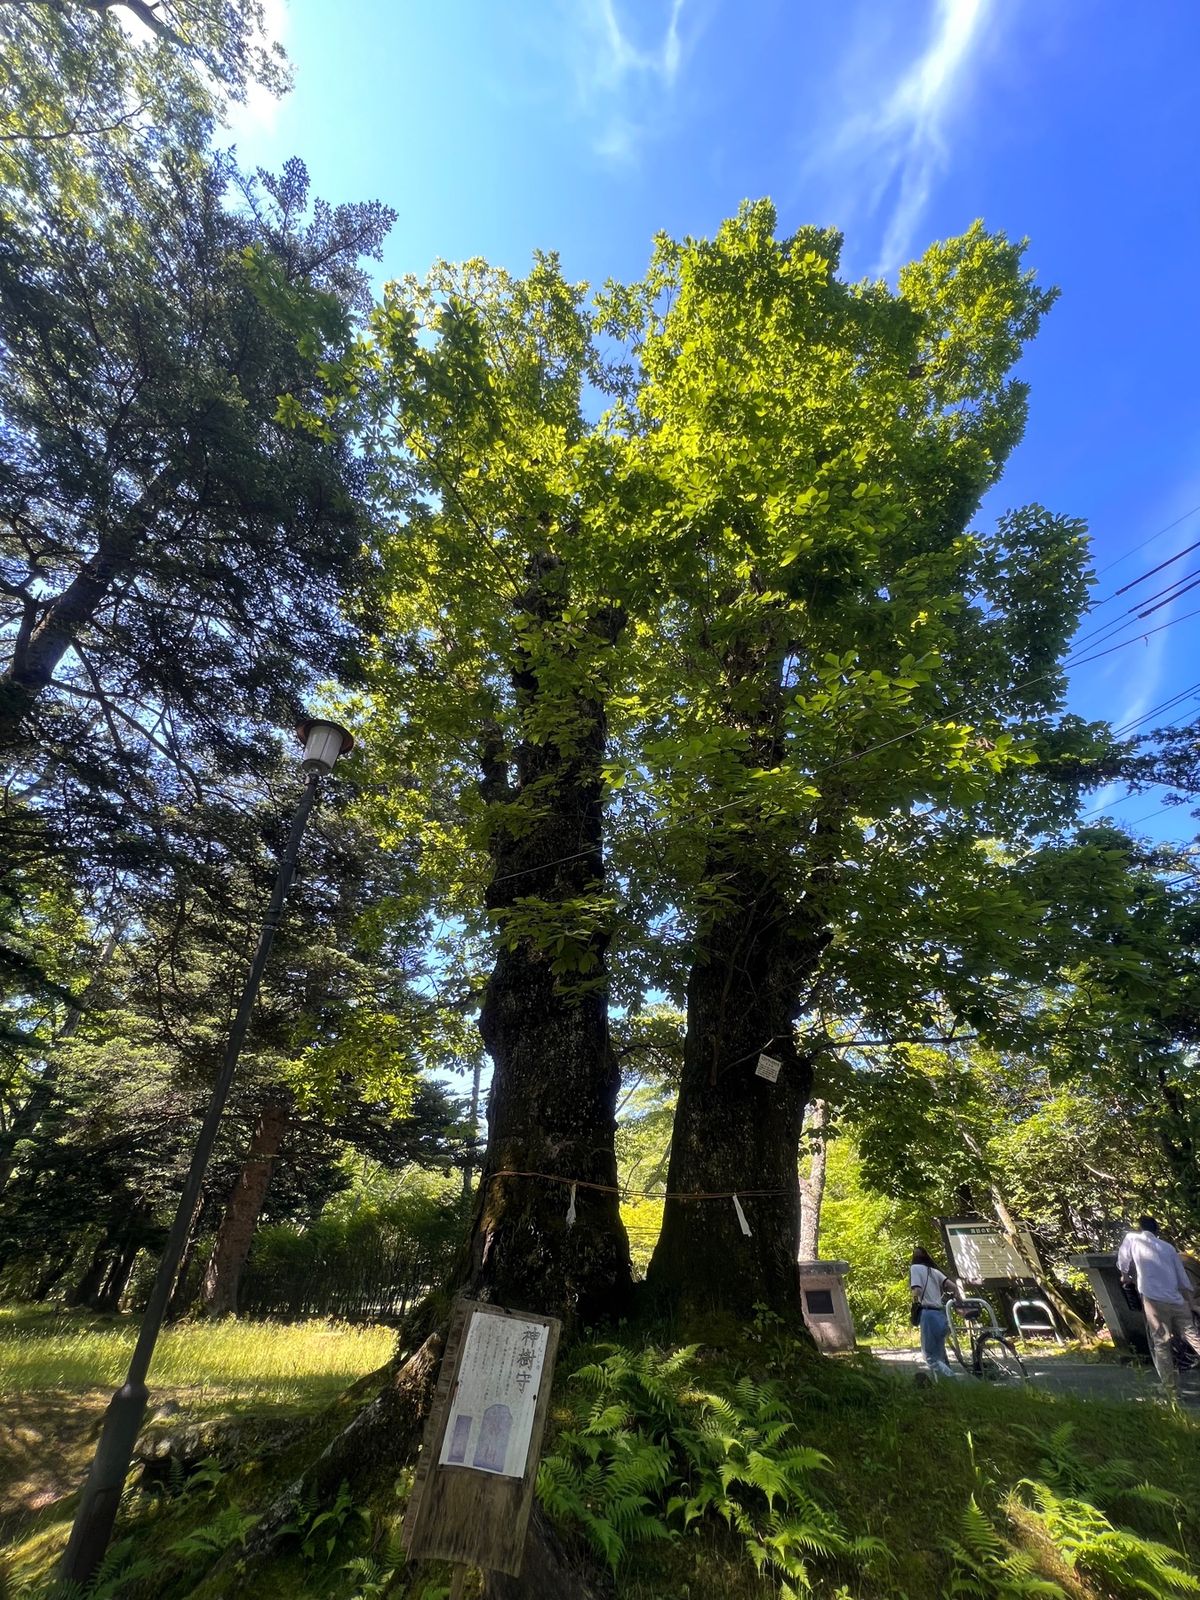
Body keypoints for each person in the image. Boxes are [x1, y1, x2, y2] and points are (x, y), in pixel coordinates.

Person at [1116, 1215, 1200, 1396]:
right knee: (1194, 1338)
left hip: (1154, 1301)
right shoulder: (1168, 1248)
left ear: (1140, 1228)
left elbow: (1123, 1259)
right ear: (1157, 1231)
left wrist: (1125, 1276)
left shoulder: (1133, 1239)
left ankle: (1170, 1389)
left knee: (1161, 1343)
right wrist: (1192, 1303)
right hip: (1177, 1300)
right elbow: (1182, 1278)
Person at [910, 1246, 956, 1380]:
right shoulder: (934, 1271)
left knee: (929, 1355)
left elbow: (917, 1290)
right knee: (939, 1353)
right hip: (941, 1314)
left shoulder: (915, 1268)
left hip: (928, 1314)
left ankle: (951, 1379)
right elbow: (952, 1286)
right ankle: (942, 1383)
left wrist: (914, 1300)